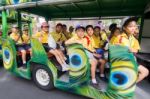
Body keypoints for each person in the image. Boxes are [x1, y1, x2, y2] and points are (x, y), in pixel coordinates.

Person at [120, 17, 149, 83]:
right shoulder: (119, 38)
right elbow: (115, 50)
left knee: (145, 72)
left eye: (134, 26)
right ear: (124, 28)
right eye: (130, 26)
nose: (133, 28)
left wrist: (131, 50)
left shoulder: (135, 40)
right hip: (122, 61)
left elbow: (136, 50)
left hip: (131, 60)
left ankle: (130, 84)